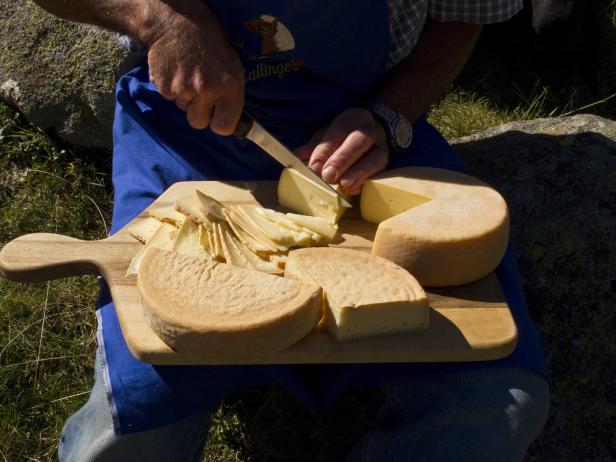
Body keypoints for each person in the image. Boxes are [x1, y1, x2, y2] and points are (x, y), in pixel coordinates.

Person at [32, 1, 551, 460]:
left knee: (496, 405)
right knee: (140, 411)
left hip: (361, 134)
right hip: (186, 131)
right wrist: (163, 19)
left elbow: (460, 19)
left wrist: (391, 114)